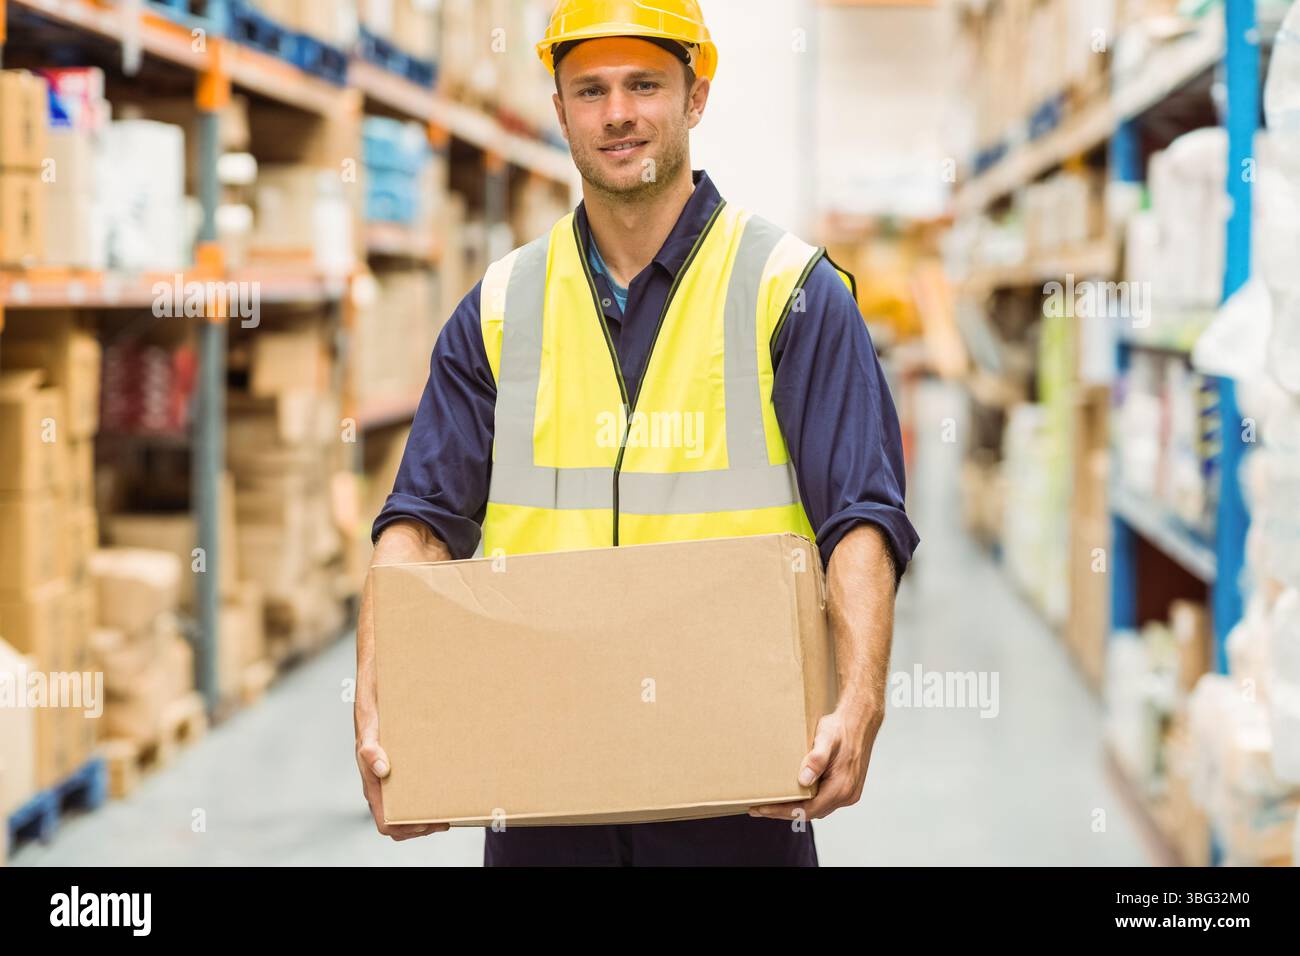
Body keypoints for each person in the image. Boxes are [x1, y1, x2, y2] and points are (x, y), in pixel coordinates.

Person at [354, 0, 919, 867]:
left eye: (643, 84)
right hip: (543, 790)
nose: (617, 112)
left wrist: (862, 695)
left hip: (740, 787)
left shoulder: (788, 290)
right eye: (590, 90)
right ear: (561, 111)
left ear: (695, 96)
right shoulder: (502, 307)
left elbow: (860, 516)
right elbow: (421, 519)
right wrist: (382, 694)